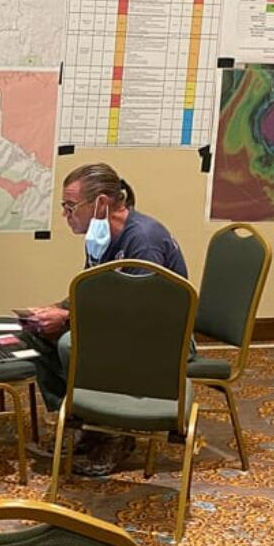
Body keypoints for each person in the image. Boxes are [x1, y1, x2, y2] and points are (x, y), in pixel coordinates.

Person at [23, 162, 188, 476]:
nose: (65, 215)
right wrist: (54, 309)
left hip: (160, 338)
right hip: (122, 326)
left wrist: (69, 320)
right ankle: (77, 419)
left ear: (100, 203)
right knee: (34, 332)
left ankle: (112, 434)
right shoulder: (101, 236)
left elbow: (138, 312)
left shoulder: (144, 240)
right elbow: (95, 289)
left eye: (70, 207)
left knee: (73, 345)